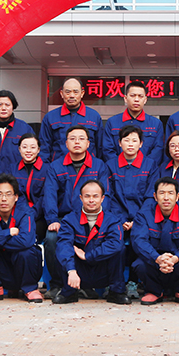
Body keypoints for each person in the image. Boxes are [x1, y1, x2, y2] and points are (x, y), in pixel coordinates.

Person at [42, 125, 110, 296]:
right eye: (72, 139)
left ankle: (87, 284)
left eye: (81, 138)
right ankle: (57, 284)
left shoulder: (99, 166)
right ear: (66, 143)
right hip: (64, 219)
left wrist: (100, 220)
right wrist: (52, 220)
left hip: (91, 217)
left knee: (96, 239)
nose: (77, 142)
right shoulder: (56, 166)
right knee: (52, 238)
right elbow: (49, 195)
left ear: (88, 143)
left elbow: (106, 195)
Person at [53, 180, 130, 305]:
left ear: (102, 198)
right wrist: (71, 270)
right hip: (78, 273)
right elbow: (64, 245)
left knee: (119, 250)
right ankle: (69, 292)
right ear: (81, 198)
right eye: (87, 196)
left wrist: (88, 256)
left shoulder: (112, 220)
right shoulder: (69, 220)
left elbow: (115, 244)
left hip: (103, 270)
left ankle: (116, 292)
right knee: (62, 249)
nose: (91, 200)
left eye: (95, 196)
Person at [130, 178, 179, 306]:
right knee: (140, 264)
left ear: (177, 196)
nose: (166, 198)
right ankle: (153, 291)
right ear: (155, 196)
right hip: (155, 262)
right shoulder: (144, 214)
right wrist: (157, 258)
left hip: (178, 261)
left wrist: (175, 258)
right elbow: (139, 241)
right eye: (162, 193)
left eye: (170, 193)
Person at [0, 174, 43, 303]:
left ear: (16, 197)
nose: (4, 199)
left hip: (21, 267)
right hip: (0, 269)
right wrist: (8, 233)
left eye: (8, 194)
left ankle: (30, 289)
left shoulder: (25, 213)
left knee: (28, 251)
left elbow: (26, 241)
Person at [105, 125, 159, 233]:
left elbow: (151, 196)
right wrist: (120, 220)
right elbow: (110, 196)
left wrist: (138, 220)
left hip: (144, 220)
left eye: (134, 141)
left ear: (141, 144)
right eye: (126, 140)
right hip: (116, 221)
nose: (130, 144)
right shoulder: (110, 165)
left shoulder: (150, 165)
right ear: (120, 143)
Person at [100, 80, 164, 166]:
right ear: (125, 98)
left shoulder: (156, 124)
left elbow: (158, 150)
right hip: (117, 171)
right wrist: (118, 168)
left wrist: (144, 168)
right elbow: (107, 150)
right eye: (133, 95)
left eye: (140, 96)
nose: (136, 99)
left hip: (146, 171)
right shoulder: (112, 122)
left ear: (145, 100)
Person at [39, 78, 103, 163]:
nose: (72, 95)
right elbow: (44, 147)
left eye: (75, 92)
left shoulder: (94, 116)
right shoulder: (50, 117)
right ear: (61, 94)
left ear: (82, 93)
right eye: (68, 92)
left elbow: (100, 147)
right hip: (58, 167)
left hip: (88, 167)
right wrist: (46, 168)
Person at [14, 133, 49, 242]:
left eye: (33, 147)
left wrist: (31, 214)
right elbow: (14, 194)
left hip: (40, 215)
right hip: (17, 214)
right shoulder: (12, 169)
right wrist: (23, 213)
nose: (28, 151)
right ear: (19, 149)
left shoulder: (48, 169)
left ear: (38, 150)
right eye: (24, 147)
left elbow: (46, 196)